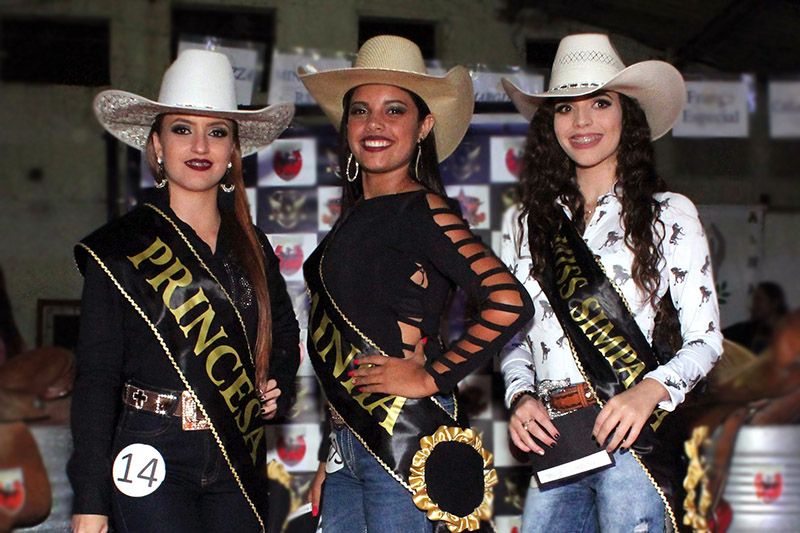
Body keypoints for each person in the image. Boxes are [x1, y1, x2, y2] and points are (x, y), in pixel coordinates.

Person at [297, 35, 533, 532]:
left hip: (402, 437)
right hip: (347, 445)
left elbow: (510, 302)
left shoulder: (423, 209)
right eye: (360, 111)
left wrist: (431, 377)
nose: (374, 124)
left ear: (424, 126)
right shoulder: (353, 217)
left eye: (394, 110)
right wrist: (327, 455)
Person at [68, 49, 299, 533]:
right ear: (156, 144)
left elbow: (282, 331)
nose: (199, 145)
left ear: (233, 149)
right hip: (150, 448)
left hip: (235, 447)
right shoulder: (121, 247)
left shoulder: (252, 244)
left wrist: (275, 381)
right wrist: (90, 499)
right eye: (181, 129)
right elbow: (96, 379)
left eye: (217, 132)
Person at [499, 33, 723, 532]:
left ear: (629, 116)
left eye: (600, 103)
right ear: (550, 123)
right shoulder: (527, 222)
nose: (582, 122)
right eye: (566, 108)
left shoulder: (669, 214)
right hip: (556, 442)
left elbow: (706, 340)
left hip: (633, 440)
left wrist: (649, 390)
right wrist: (519, 396)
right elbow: (514, 334)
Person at [723, 281, 788, 353]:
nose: (754, 304)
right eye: (754, 299)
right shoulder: (746, 330)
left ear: (774, 303)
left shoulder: (788, 332)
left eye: (759, 299)